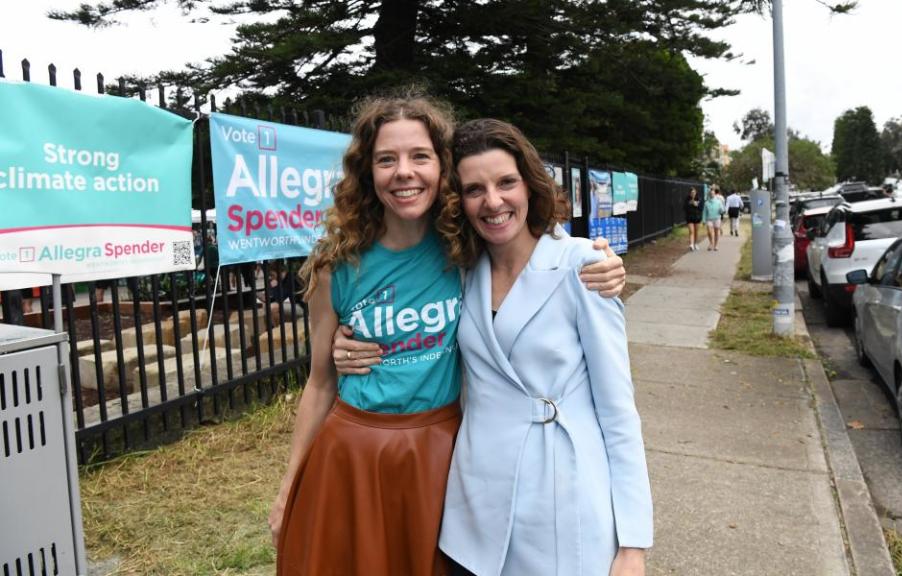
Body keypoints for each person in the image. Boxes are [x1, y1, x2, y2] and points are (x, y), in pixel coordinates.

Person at [270, 94, 626, 576]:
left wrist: (602, 262)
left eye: (420, 156)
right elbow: (319, 383)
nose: (404, 172)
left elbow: (529, 246)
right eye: (386, 160)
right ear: (366, 173)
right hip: (352, 453)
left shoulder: (466, 252)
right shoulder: (337, 266)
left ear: (443, 169)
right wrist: (290, 484)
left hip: (440, 450)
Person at [441, 119, 652, 575]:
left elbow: (618, 411)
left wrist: (633, 544)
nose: (493, 201)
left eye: (505, 183)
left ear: (530, 185)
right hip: (474, 504)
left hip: (560, 502)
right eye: (474, 189)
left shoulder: (583, 265)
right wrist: (342, 342)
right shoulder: (459, 272)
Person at [702, 187, 725, 251]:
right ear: (709, 194)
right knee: (709, 231)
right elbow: (704, 212)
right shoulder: (706, 203)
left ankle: (716, 245)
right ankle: (711, 243)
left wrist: (721, 210)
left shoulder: (718, 202)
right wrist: (703, 220)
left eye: (713, 194)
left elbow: (722, 210)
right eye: (711, 194)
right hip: (709, 219)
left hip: (717, 219)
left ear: (715, 194)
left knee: (716, 232)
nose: (712, 195)